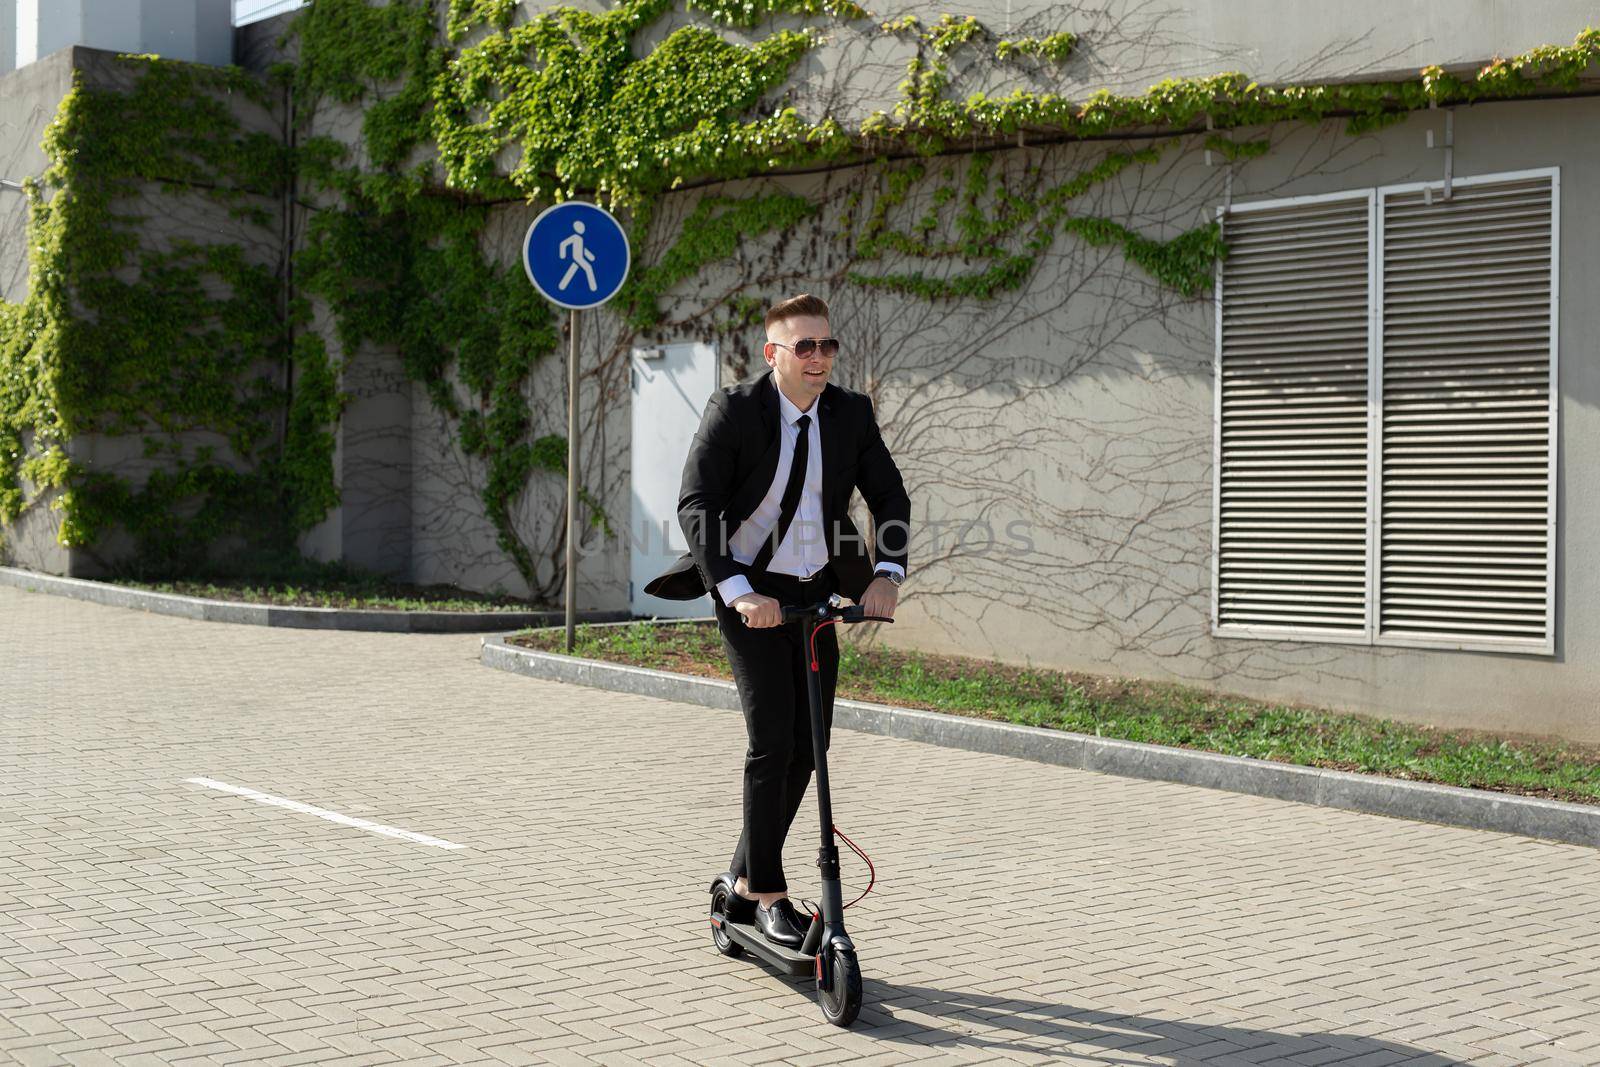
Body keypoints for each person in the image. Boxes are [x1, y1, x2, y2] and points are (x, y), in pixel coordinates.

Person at [645, 293, 911, 948]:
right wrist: (734, 590)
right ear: (774, 354)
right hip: (748, 592)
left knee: (807, 747)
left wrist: (886, 574)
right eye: (805, 346)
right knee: (772, 741)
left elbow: (889, 495)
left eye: (828, 345)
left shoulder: (849, 413)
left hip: (816, 593)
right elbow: (697, 503)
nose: (819, 358)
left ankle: (739, 880)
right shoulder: (736, 410)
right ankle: (767, 892)